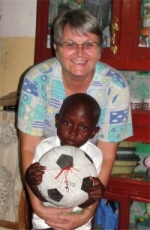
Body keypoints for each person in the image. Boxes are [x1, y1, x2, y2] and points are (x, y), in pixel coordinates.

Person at [18, 8, 133, 230]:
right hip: (44, 181)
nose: (80, 53)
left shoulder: (115, 87)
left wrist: (88, 211)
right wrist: (37, 205)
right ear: (56, 48)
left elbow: (107, 157)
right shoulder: (36, 81)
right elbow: (28, 150)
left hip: (84, 181)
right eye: (70, 44)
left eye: (89, 44)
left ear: (100, 49)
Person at [25, 93, 103, 230]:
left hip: (77, 226)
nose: (73, 132)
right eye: (67, 122)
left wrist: (95, 195)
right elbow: (42, 197)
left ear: (93, 132)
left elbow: (84, 203)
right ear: (57, 120)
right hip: (44, 224)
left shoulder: (94, 156)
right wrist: (31, 180)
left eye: (83, 127)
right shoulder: (44, 148)